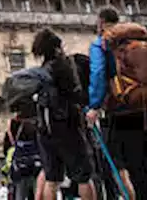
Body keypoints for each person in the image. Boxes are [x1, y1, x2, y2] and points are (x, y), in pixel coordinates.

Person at [86, 7, 147, 200]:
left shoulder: (102, 43)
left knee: (137, 167)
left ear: (101, 22)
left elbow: (97, 73)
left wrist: (94, 105)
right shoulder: (141, 40)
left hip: (123, 110)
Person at [28, 28, 96, 200]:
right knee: (83, 177)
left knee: (52, 179)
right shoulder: (64, 65)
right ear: (57, 47)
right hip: (68, 126)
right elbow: (76, 93)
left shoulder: (42, 71)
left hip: (45, 129)